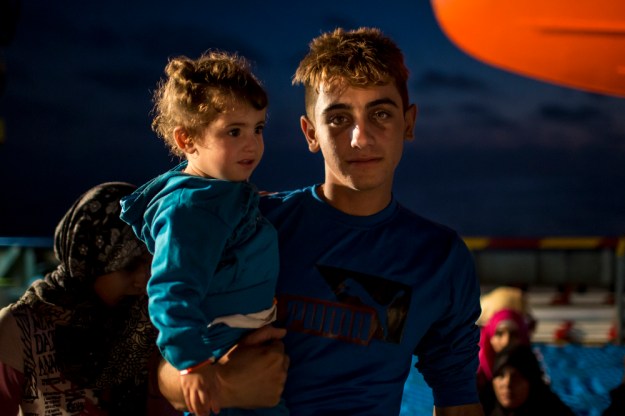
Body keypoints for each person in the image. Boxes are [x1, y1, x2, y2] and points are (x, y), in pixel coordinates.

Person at [157, 27, 484, 416]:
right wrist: (225, 386)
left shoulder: (439, 258)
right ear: (310, 132)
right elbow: (162, 372)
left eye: (380, 114)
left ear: (408, 123)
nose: (360, 138)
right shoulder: (251, 226)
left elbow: (458, 400)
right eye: (339, 118)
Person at [119, 51, 286, 416]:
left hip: (245, 337)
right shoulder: (190, 210)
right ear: (187, 140)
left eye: (258, 128)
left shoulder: (220, 191)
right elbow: (169, 290)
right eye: (233, 131)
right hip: (219, 348)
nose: (252, 143)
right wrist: (192, 363)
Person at [0, 182, 179, 416]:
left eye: (151, 263)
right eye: (129, 266)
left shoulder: (153, 320)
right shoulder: (21, 327)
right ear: (88, 262)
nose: (142, 280)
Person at [480, 344, 575, 416]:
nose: (507, 384)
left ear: (531, 381)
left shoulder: (554, 409)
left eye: (516, 376)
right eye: (500, 375)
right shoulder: (481, 408)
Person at [477, 308, 531, 392]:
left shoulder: (532, 373)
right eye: (499, 333)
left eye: (513, 334)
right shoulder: (474, 374)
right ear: (490, 338)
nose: (506, 341)